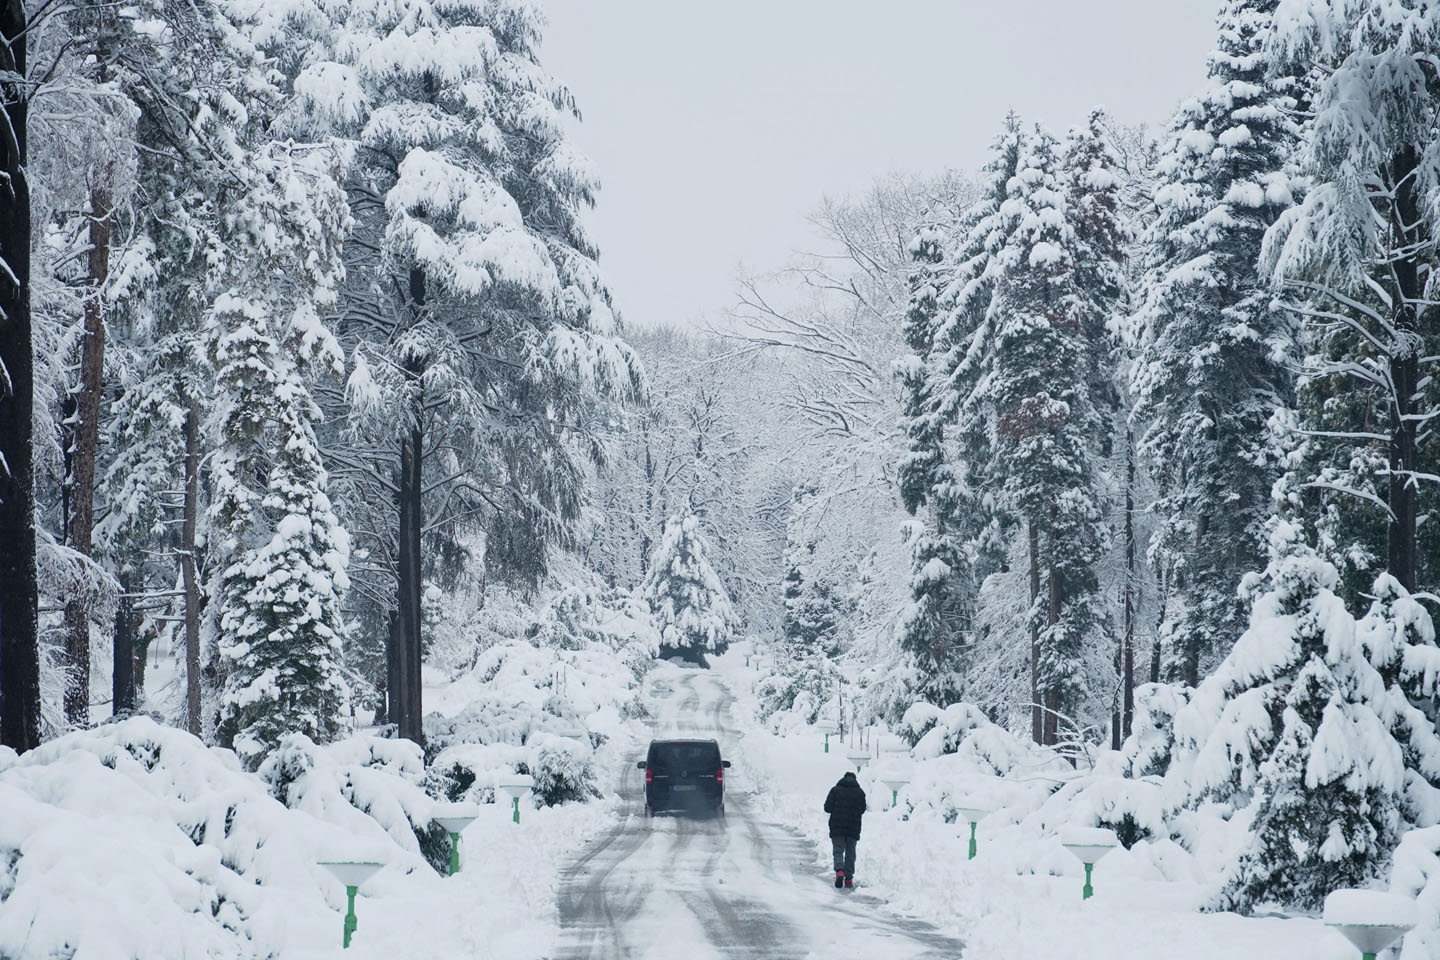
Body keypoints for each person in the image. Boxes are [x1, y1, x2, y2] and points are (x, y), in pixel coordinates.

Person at [823, 770, 866, 888]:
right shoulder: (860, 793)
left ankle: (839, 871)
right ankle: (848, 879)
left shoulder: (835, 790)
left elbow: (827, 808)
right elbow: (862, 809)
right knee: (850, 853)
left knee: (838, 850)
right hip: (853, 827)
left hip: (837, 825)